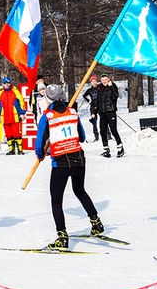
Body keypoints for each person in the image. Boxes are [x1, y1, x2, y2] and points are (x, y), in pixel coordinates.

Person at [34, 83, 105, 249]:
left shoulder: (48, 116)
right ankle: (96, 223)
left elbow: (39, 143)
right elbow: (82, 136)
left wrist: (40, 154)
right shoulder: (73, 112)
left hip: (61, 161)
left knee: (56, 200)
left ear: (48, 98)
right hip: (79, 158)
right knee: (80, 191)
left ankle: (62, 236)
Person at [0, 76, 26, 155]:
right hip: (4, 117)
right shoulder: (0, 93)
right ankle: (11, 149)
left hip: (15, 116)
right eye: (5, 83)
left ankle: (20, 149)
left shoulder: (15, 91)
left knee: (17, 133)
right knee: (8, 133)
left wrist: (22, 113)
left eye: (8, 83)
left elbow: (22, 102)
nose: (7, 85)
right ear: (2, 84)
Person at [97, 73, 123, 158]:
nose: (104, 81)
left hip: (111, 111)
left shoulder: (113, 86)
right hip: (102, 112)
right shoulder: (99, 88)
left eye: (105, 79)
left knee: (113, 130)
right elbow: (97, 100)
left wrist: (111, 87)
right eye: (102, 80)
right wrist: (95, 111)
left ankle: (120, 146)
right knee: (102, 130)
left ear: (108, 79)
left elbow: (115, 96)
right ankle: (106, 149)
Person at [82, 74, 101, 142]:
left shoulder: (99, 87)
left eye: (95, 81)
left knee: (104, 120)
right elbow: (84, 96)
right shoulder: (89, 90)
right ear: (91, 82)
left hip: (100, 106)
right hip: (93, 107)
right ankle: (96, 136)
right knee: (94, 122)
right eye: (92, 81)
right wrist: (88, 100)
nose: (94, 82)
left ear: (96, 81)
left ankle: (108, 135)